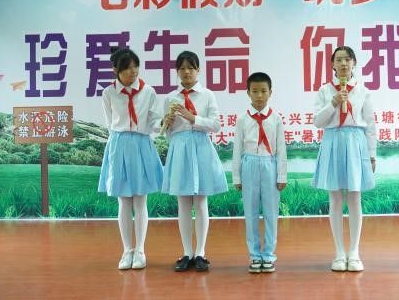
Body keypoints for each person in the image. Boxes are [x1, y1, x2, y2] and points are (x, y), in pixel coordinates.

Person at [161, 51, 228, 272]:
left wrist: (193, 118)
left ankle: (201, 252)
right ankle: (187, 253)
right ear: (177, 72)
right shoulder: (170, 98)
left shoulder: (207, 95)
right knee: (183, 203)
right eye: (182, 68)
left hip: (201, 147)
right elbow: (167, 134)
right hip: (180, 149)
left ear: (198, 70)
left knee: (200, 202)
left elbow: (216, 125)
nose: (186, 72)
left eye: (191, 67)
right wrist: (167, 123)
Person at [312, 46, 376, 272]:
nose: (343, 64)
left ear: (354, 63)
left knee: (355, 198)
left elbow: (370, 125)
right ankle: (339, 252)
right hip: (332, 141)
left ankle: (354, 252)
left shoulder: (363, 91)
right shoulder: (324, 90)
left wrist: (372, 154)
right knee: (336, 199)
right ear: (332, 64)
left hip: (356, 142)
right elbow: (318, 122)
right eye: (338, 60)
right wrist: (333, 102)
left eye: (347, 59)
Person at [98, 47, 163, 270]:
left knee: (140, 200)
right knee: (124, 201)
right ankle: (127, 250)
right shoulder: (108, 93)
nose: (133, 71)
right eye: (127, 68)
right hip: (119, 144)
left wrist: (163, 125)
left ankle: (141, 250)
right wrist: (120, 141)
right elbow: (110, 123)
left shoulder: (148, 92)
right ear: (115, 70)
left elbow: (154, 121)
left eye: (136, 66)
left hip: (142, 144)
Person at [232, 72, 287, 273]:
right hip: (249, 165)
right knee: (251, 212)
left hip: (269, 164)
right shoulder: (242, 119)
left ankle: (269, 254)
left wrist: (282, 175)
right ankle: (255, 255)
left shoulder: (276, 119)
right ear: (248, 92)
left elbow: (281, 149)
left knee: (271, 212)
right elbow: (237, 149)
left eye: (263, 91)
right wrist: (236, 176)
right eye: (255, 91)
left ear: (270, 92)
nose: (259, 95)